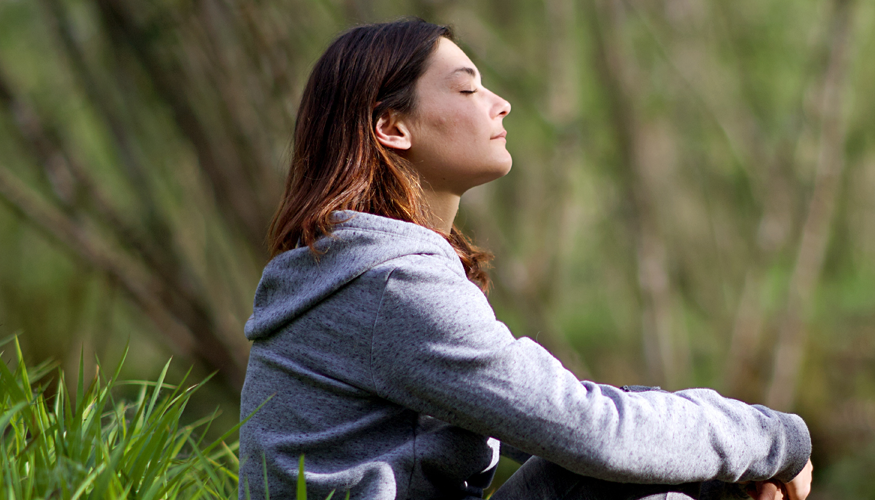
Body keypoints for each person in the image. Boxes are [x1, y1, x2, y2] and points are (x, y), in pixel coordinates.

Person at [237, 18, 813, 500]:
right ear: (392, 127)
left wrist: (726, 467)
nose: (501, 104)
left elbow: (557, 420)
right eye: (467, 90)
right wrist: (773, 438)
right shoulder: (391, 284)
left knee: (651, 470)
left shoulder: (359, 269)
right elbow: (592, 432)